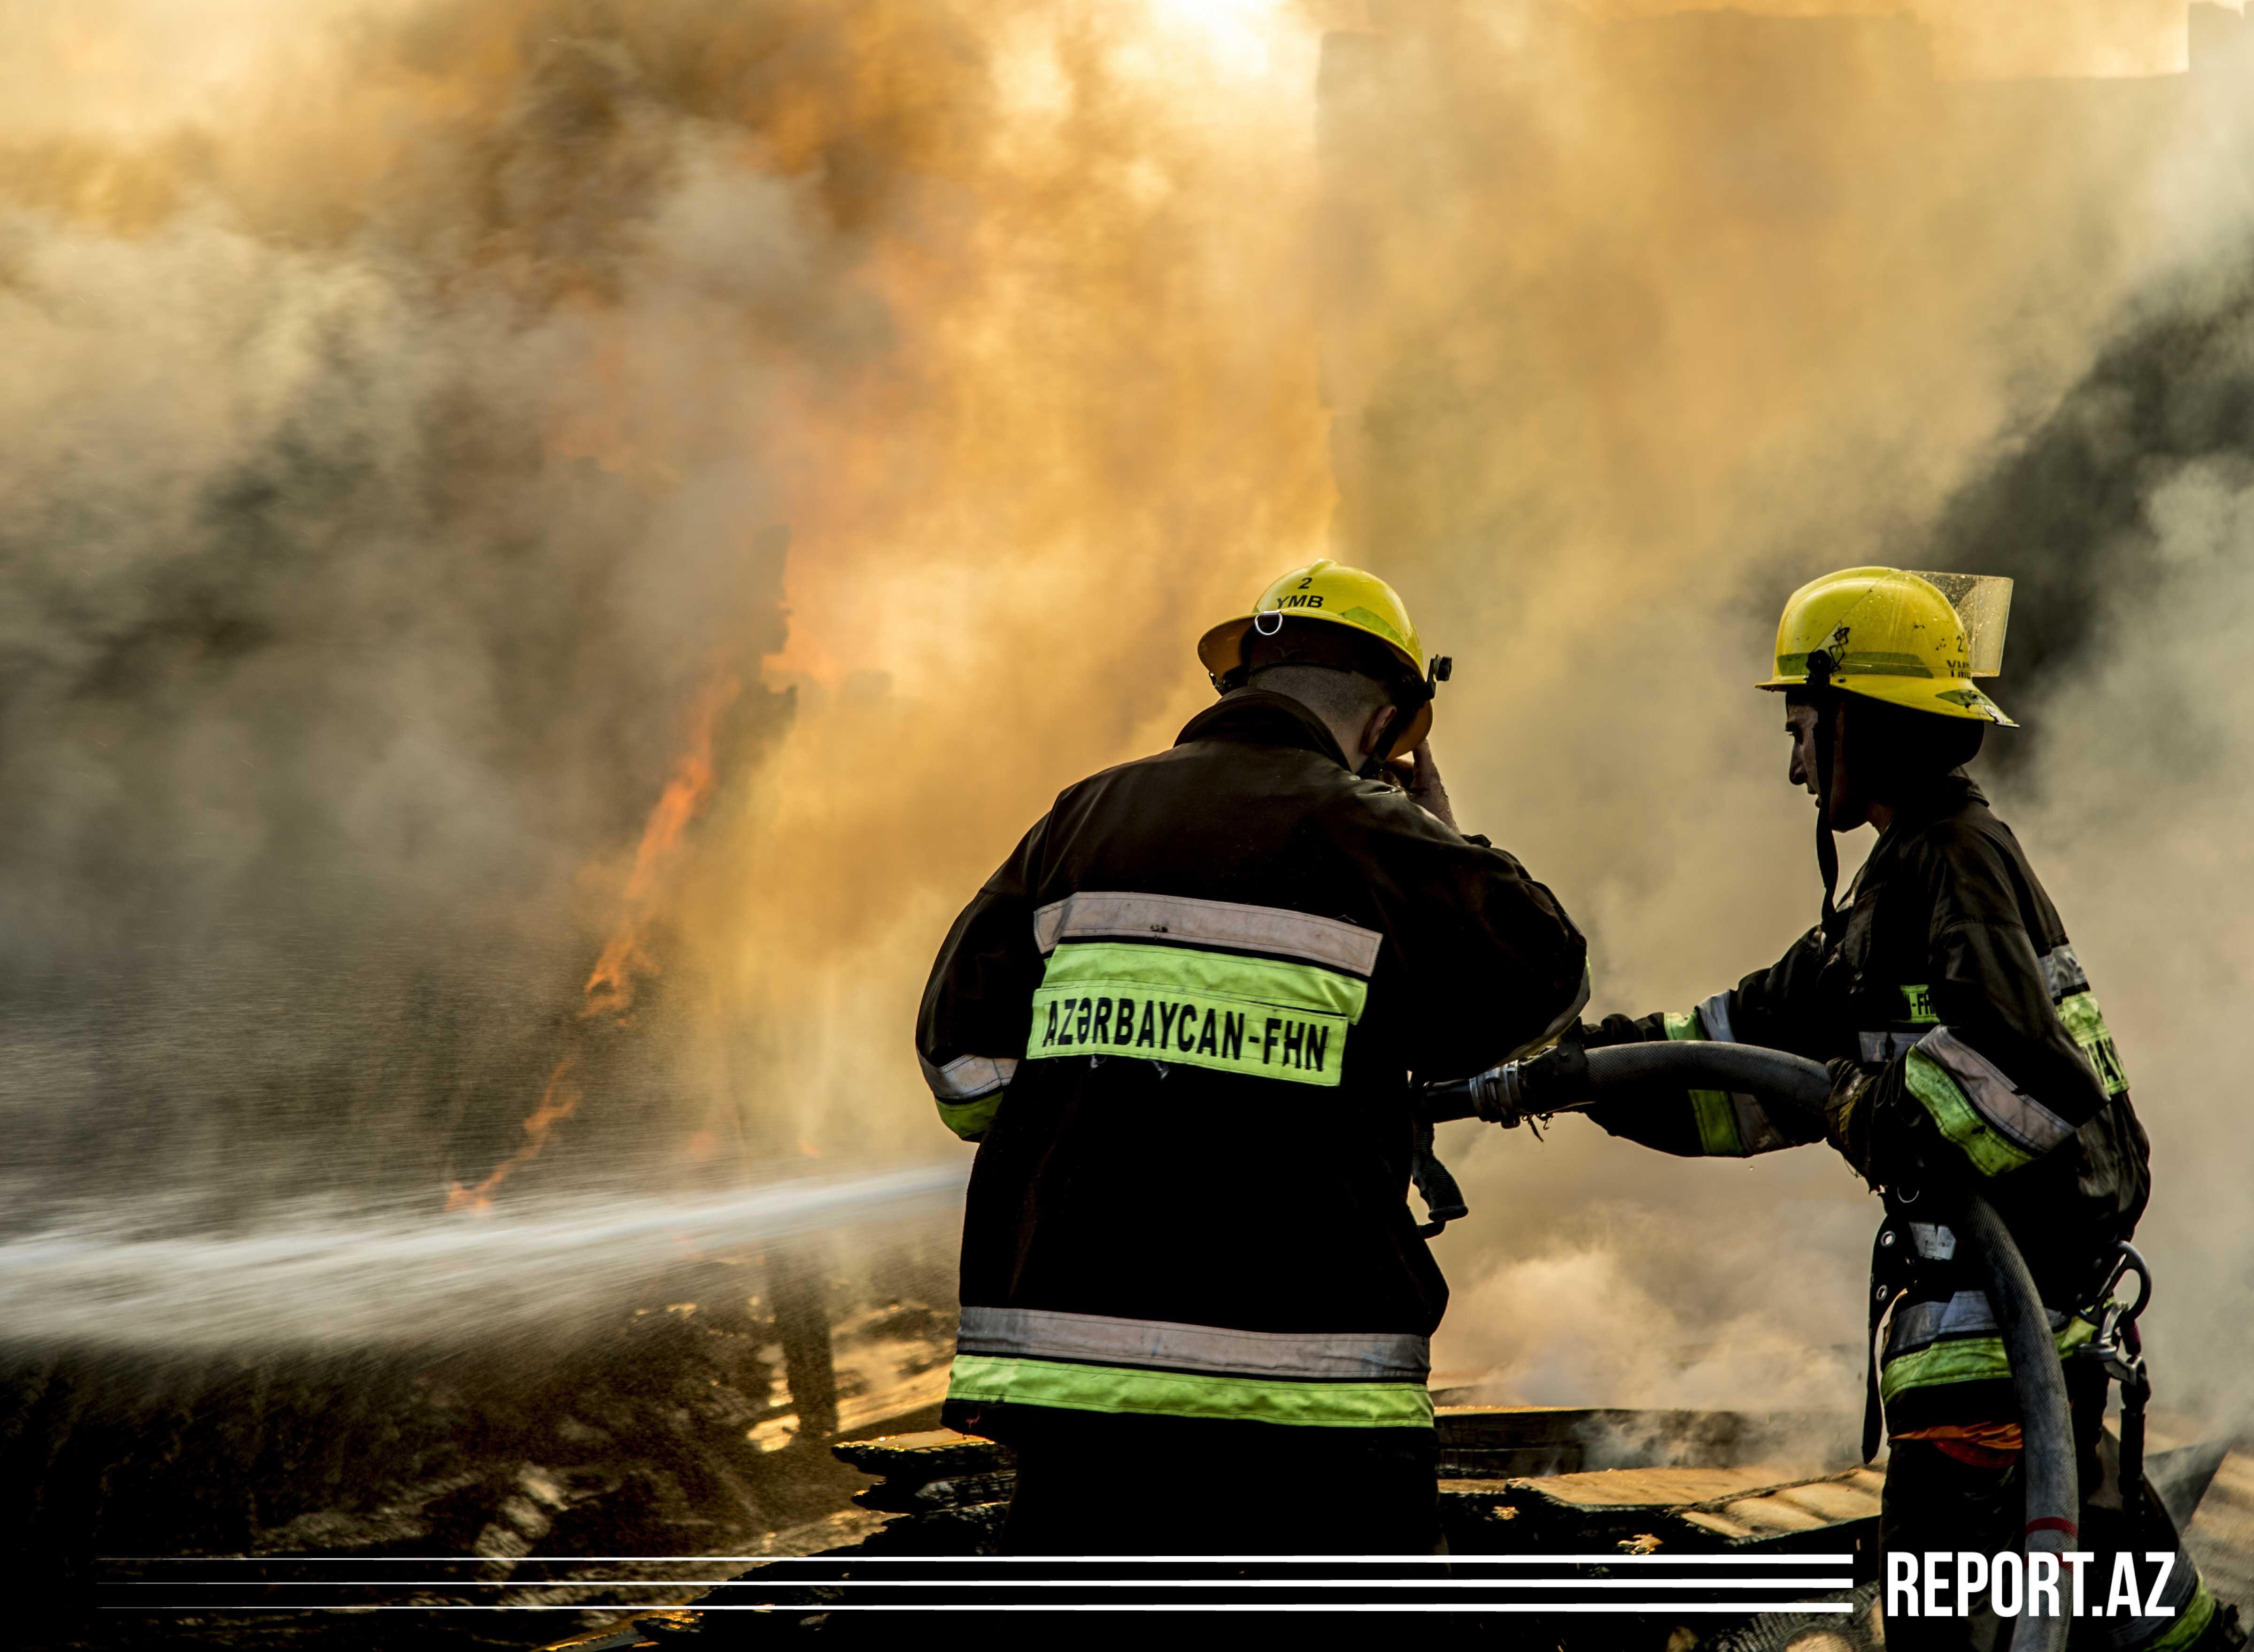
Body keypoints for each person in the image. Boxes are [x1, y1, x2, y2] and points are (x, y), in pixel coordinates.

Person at [1573, 566, 2235, 1650]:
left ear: (1860, 718)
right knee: (2142, 1625)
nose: (1791, 762)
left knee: (1952, 1633)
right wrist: (1579, 1072)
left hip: (1995, 1363)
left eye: (1802, 725)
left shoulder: (1955, 862)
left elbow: (2031, 1076)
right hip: (2011, 1354)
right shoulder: (1895, 890)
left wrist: (1866, 1108)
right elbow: (1739, 1065)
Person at [913, 559, 1588, 1554]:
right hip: (1311, 1406)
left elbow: (961, 1067)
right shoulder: (1379, 833)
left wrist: (1103, 1121)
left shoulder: (1081, 818)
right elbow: (1549, 980)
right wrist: (1444, 826)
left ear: (1234, 687)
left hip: (1077, 1396)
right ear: (1392, 726)